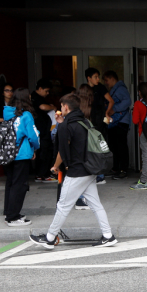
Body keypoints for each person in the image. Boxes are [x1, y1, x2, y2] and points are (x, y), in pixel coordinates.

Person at [29, 94, 117, 249]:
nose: (60, 108)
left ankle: (50, 238)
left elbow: (62, 152)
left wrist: (55, 166)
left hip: (77, 171)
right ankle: (108, 235)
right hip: (90, 169)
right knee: (95, 204)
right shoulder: (84, 122)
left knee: (63, 205)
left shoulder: (66, 126)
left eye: (61, 106)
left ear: (66, 107)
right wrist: (61, 123)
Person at [2, 88, 40, 226]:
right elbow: (33, 136)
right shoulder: (26, 115)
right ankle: (13, 217)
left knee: (11, 183)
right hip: (21, 154)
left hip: (8, 153)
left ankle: (8, 211)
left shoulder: (7, 113)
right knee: (19, 185)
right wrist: (35, 147)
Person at [103, 71, 132, 179]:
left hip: (121, 122)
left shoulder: (120, 89)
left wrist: (114, 109)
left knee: (120, 146)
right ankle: (116, 168)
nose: (105, 83)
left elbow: (127, 102)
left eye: (106, 80)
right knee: (114, 146)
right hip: (115, 122)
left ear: (112, 78)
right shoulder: (115, 89)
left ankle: (123, 169)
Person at [31, 79, 57, 182]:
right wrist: (52, 107)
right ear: (40, 88)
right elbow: (42, 107)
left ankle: (42, 174)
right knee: (44, 152)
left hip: (44, 129)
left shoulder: (39, 97)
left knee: (45, 151)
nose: (47, 93)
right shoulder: (35, 97)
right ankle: (42, 174)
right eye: (46, 91)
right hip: (41, 130)